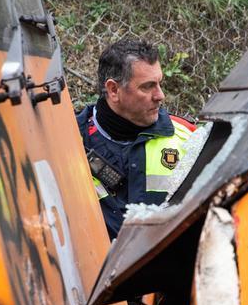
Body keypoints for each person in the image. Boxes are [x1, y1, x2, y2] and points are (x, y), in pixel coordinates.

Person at [76, 39, 198, 239]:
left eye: (159, 84)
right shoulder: (68, 141)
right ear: (114, 90)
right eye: (148, 86)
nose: (160, 95)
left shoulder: (189, 138)